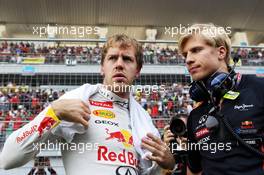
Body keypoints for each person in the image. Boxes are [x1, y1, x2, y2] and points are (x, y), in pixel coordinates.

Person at [0, 34, 175, 174]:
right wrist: (51, 113)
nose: (119, 64)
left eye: (127, 59)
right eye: (113, 58)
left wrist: (165, 165)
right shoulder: (77, 101)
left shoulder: (142, 118)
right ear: (102, 67)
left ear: (137, 70)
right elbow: (7, 159)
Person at [165, 23, 264, 175]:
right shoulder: (195, 114)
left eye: (196, 50)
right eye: (185, 55)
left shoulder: (258, 87)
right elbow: (194, 170)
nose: (188, 60)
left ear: (221, 52)